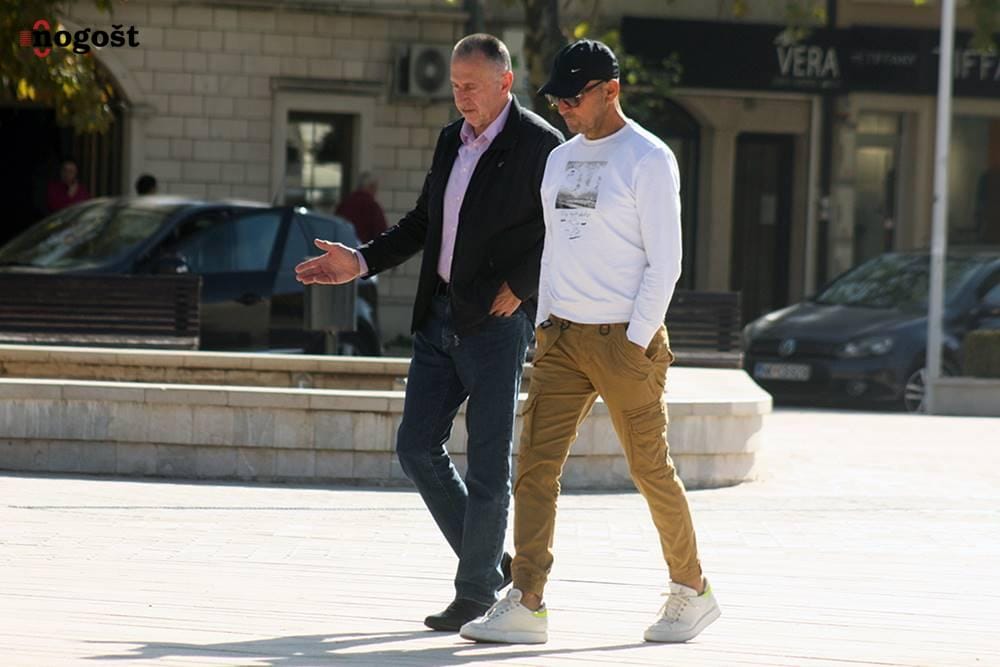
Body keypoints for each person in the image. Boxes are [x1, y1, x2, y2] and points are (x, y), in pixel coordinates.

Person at [295, 33, 563, 631]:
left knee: (489, 465)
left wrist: (522, 287)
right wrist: (360, 261)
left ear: (506, 82)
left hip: (496, 323)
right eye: (456, 86)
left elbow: (563, 229)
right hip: (438, 315)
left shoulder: (542, 146)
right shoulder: (450, 140)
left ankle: (474, 594)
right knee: (416, 447)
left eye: (473, 87)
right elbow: (424, 221)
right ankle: (491, 567)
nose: (462, 97)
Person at [460, 39, 721, 645]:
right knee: (534, 470)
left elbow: (666, 263)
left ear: (611, 91)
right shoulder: (561, 159)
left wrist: (634, 341)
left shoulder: (648, 158)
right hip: (562, 339)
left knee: (649, 469)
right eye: (556, 99)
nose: (563, 109)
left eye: (573, 98)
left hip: (623, 340)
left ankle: (692, 589)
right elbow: (555, 245)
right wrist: (545, 322)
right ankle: (526, 601)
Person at [335, 172, 388, 244]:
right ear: (371, 187)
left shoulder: (345, 203)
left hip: (343, 246)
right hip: (364, 248)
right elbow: (381, 232)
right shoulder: (372, 206)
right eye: (375, 187)